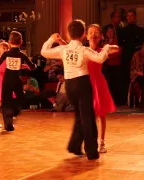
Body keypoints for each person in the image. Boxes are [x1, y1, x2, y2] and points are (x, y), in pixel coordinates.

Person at [41, 20, 118, 160]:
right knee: (87, 117)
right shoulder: (84, 50)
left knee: (79, 116)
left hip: (69, 86)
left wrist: (51, 39)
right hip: (82, 83)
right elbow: (100, 59)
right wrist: (106, 47)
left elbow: (44, 52)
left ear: (70, 34)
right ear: (83, 35)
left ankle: (74, 146)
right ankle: (92, 152)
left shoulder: (63, 49)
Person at [0, 31, 36, 131]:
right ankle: (14, 112)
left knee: (6, 102)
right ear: (21, 42)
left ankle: (8, 125)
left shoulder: (6, 54)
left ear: (9, 41)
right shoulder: (22, 55)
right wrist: (32, 66)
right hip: (16, 80)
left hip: (6, 80)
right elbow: (32, 67)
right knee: (20, 100)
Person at [87, 24, 116, 153]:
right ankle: (90, 141)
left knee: (101, 114)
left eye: (96, 32)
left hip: (98, 83)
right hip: (86, 82)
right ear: (86, 35)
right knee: (88, 115)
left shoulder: (101, 51)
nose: (93, 34)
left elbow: (116, 49)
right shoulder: (83, 50)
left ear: (101, 36)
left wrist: (107, 47)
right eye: (90, 32)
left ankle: (102, 142)